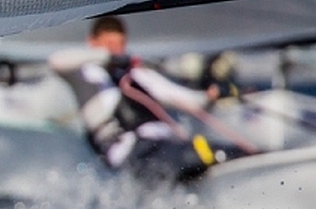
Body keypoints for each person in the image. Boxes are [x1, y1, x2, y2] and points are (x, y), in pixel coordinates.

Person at [49, 16, 225, 185]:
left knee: (214, 152)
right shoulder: (83, 75)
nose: (115, 50)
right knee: (195, 155)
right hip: (131, 152)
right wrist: (107, 57)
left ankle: (215, 164)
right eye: (109, 44)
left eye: (119, 45)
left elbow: (185, 99)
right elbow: (56, 61)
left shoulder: (137, 74)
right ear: (92, 41)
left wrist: (209, 96)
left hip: (164, 143)